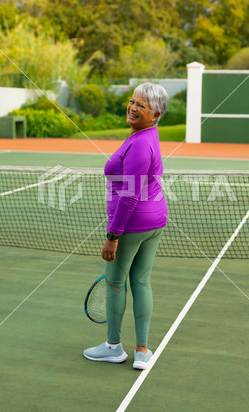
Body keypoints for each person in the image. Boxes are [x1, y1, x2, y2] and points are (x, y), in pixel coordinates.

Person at [83, 82, 169, 369]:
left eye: (141, 105)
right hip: (155, 221)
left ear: (155, 114)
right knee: (142, 282)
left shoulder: (140, 144)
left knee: (116, 284)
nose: (133, 107)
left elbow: (130, 195)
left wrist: (113, 236)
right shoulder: (148, 135)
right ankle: (142, 351)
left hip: (132, 225)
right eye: (132, 101)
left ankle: (113, 347)